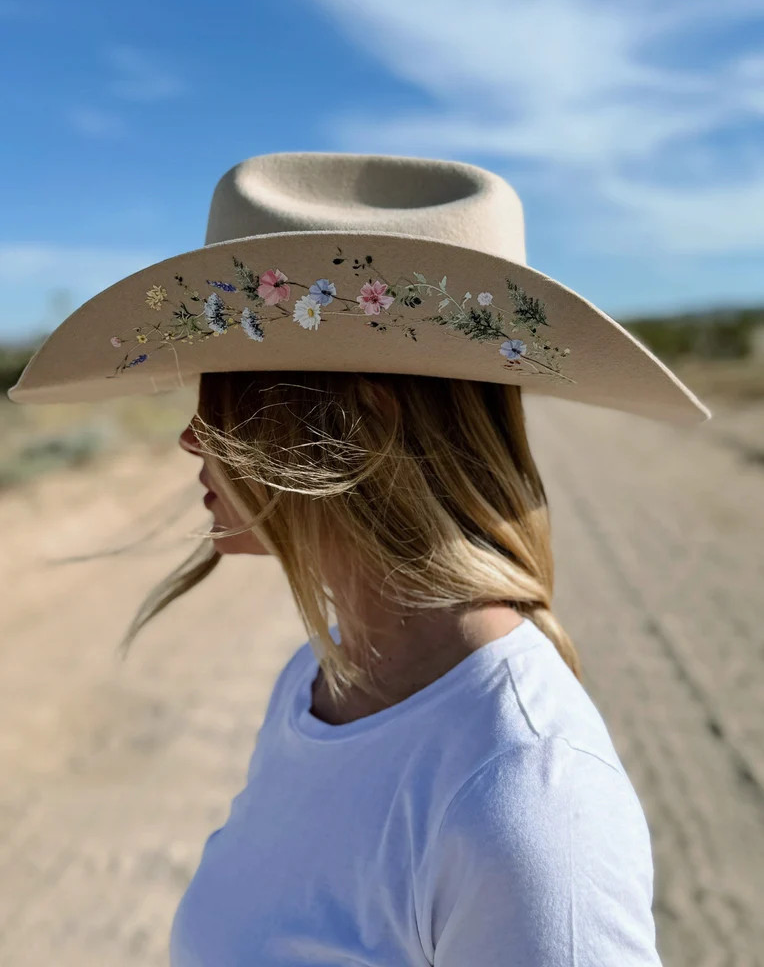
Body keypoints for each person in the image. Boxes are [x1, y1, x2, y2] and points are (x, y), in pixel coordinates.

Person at [8, 151, 712, 964]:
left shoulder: (531, 801)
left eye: (223, 394)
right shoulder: (317, 685)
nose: (191, 436)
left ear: (359, 429)